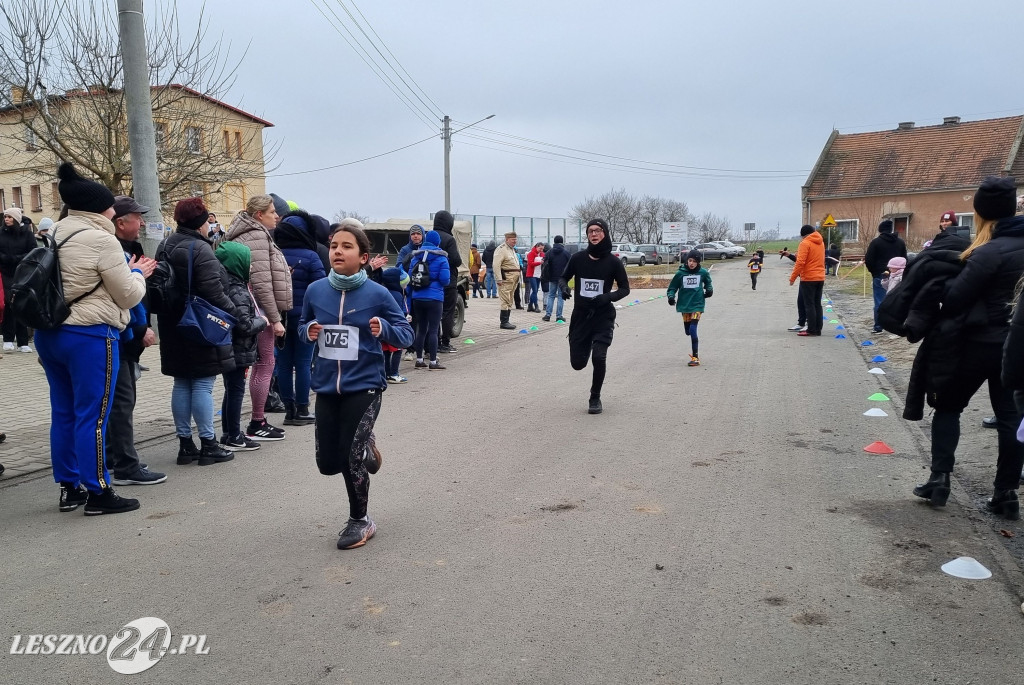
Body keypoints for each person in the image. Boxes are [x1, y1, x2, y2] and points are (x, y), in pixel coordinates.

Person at [38, 163, 154, 515]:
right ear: (98, 209)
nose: (112, 210)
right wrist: (137, 272)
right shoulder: (102, 239)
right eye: (109, 206)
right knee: (94, 416)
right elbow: (129, 296)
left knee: (64, 413)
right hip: (89, 335)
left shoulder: (51, 233)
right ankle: (99, 492)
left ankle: (70, 488)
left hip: (49, 333)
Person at [909, 176, 1024, 520]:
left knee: (949, 407)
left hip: (975, 344)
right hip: (1015, 344)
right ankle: (1006, 493)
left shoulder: (987, 253)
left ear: (980, 213)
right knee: (1010, 418)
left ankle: (939, 478)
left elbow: (957, 300)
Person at [299, 222, 413, 550]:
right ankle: (367, 447)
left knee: (349, 457)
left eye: (346, 246)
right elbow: (302, 325)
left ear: (363, 257)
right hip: (325, 386)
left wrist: (384, 329)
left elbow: (406, 333)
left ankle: (360, 520)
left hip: (365, 386)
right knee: (327, 464)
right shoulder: (316, 291)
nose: (337, 250)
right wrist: (307, 331)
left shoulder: (377, 293)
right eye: (334, 245)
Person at [157, 197, 238, 466]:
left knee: (181, 382)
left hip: (172, 323)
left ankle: (185, 445)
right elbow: (213, 290)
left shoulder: (165, 244)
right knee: (203, 383)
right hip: (200, 323)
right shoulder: (200, 249)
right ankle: (209, 443)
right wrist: (233, 314)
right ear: (201, 223)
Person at [105, 195, 167, 486]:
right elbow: (127, 296)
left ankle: (113, 459)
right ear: (121, 222)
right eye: (137, 218)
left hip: (121, 335)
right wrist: (142, 329)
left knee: (116, 401)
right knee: (121, 401)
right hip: (121, 335)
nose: (142, 223)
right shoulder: (114, 250)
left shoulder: (126, 248)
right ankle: (125, 466)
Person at [226, 195, 292, 441]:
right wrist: (275, 319)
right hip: (259, 312)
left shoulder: (241, 232)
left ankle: (254, 421)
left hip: (247, 309)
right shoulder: (257, 236)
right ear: (258, 215)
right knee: (265, 365)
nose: (276, 216)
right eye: (272, 212)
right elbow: (262, 282)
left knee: (256, 367)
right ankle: (257, 421)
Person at [559, 219, 630, 414]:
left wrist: (607, 297)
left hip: (603, 316)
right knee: (578, 364)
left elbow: (625, 289)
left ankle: (595, 397)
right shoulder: (578, 258)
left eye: (598, 230)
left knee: (599, 357)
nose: (594, 234)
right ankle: (586, 344)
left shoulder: (614, 262)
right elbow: (563, 277)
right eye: (590, 231)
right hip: (581, 317)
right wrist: (564, 287)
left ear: (604, 233)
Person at [273, 211, 327, 426]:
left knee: (284, 364)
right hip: (305, 317)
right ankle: (303, 409)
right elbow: (320, 288)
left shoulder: (274, 254)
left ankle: (289, 410)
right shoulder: (311, 256)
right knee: (304, 363)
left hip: (280, 317)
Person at [215, 241, 267, 451]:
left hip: (230, 349)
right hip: (239, 349)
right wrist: (262, 321)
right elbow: (244, 325)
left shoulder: (225, 286)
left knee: (231, 390)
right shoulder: (239, 292)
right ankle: (235, 435)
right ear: (238, 264)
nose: (252, 267)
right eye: (249, 263)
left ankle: (228, 432)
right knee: (236, 391)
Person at [408, 229, 450, 370]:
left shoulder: (416, 257)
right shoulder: (441, 258)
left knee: (421, 329)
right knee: (433, 330)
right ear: (438, 242)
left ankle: (419, 360)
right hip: (435, 298)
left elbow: (410, 277)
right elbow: (445, 280)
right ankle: (433, 361)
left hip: (417, 297)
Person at [0, 207, 38, 352]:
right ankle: (8, 339)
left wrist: (18, 259)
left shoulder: (27, 234)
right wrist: (5, 258)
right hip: (5, 273)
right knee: (8, 304)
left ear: (16, 219)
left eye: (9, 217)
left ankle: (23, 342)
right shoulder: (1, 233)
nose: (6, 219)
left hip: (22, 272)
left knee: (21, 305)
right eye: (5, 217)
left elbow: (32, 251)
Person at [667, 250, 713, 366]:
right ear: (687, 261)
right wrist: (671, 297)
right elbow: (672, 288)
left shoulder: (703, 273)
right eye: (690, 260)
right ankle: (689, 333)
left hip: (697, 304)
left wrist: (709, 290)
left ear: (698, 262)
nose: (692, 263)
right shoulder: (680, 274)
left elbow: (708, 283)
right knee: (688, 331)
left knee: (693, 329)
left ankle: (695, 357)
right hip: (685, 305)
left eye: (694, 261)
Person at [865, 219, 907, 333]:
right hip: (899, 274)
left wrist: (874, 272)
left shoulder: (876, 242)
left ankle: (879, 326)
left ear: (880, 230)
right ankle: (896, 325)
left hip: (881, 274)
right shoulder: (900, 242)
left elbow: (869, 259)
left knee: (880, 301)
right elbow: (905, 258)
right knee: (898, 299)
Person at [431, 210, 463, 354]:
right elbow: (456, 260)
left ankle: (433, 343)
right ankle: (445, 342)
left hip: (431, 282)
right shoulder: (449, 239)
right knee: (447, 312)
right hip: (448, 281)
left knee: (434, 313)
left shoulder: (428, 236)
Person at [789, 225, 826, 337]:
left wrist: (793, 277)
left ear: (803, 235)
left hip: (809, 278)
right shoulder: (821, 242)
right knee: (817, 304)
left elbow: (800, 262)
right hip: (820, 277)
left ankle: (811, 329)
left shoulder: (805, 243)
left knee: (809, 304)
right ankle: (818, 329)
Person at [381, 266, 410, 383]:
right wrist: (405, 316)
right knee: (397, 350)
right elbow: (397, 311)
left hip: (385, 327)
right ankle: (394, 373)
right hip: (395, 327)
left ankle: (387, 373)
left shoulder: (384, 292)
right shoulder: (397, 295)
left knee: (386, 351)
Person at [492, 232, 521, 330]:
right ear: (507, 239)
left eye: (515, 240)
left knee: (510, 299)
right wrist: (498, 278)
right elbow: (496, 265)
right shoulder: (501, 249)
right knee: (505, 299)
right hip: (506, 279)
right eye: (513, 240)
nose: (515, 242)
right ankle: (504, 322)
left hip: (513, 279)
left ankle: (507, 320)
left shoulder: (511, 250)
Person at [542, 235, 571, 322]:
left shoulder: (549, 252)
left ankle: (548, 315)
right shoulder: (566, 253)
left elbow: (544, 262)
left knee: (551, 296)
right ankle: (559, 316)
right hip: (563, 278)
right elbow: (570, 265)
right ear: (562, 242)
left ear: (554, 242)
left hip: (551, 277)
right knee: (560, 297)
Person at [525, 241, 545, 312]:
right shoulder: (531, 253)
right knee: (535, 290)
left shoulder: (542, 254)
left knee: (535, 291)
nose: (541, 250)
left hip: (538, 274)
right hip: (532, 274)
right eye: (540, 248)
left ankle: (530, 305)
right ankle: (536, 305)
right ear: (536, 247)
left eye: (542, 249)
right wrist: (539, 262)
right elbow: (530, 263)